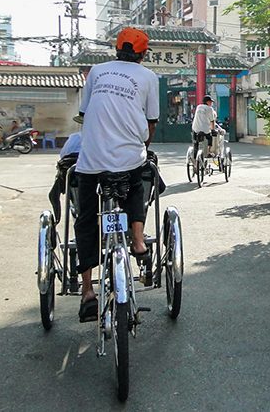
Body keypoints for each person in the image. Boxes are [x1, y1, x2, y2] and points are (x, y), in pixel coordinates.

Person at [73, 27, 160, 322]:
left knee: (85, 219)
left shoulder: (96, 71)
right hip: (127, 158)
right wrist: (142, 145)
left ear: (116, 49)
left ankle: (87, 291)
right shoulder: (149, 77)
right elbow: (151, 123)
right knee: (138, 181)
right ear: (143, 53)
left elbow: (84, 116)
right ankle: (137, 240)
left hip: (91, 160)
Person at [191, 95, 216, 160]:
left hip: (195, 128)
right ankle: (208, 151)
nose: (211, 103)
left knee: (195, 143)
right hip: (205, 129)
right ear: (207, 102)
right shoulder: (210, 109)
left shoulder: (198, 107)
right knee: (210, 138)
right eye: (210, 102)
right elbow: (212, 121)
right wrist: (213, 130)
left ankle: (195, 157)